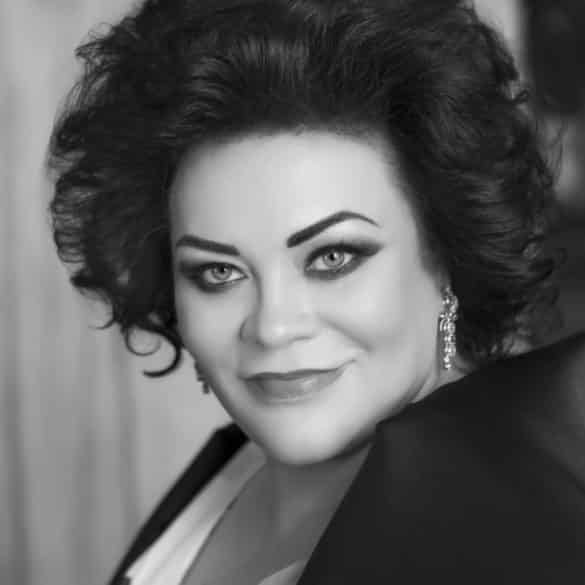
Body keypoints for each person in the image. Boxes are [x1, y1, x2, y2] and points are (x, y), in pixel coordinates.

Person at [47, 0, 585, 583]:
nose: (273, 327)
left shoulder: (510, 528)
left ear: (448, 254)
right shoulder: (231, 470)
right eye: (218, 273)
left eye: (332, 258)